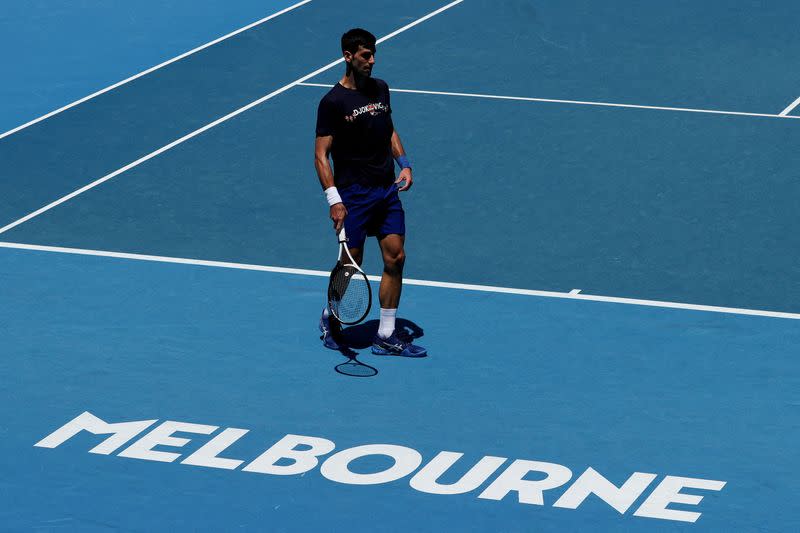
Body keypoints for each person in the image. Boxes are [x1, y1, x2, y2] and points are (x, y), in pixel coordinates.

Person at [314, 28, 426, 357]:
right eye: (365, 55)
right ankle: (330, 319)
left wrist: (403, 163)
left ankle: (387, 334)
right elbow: (321, 155)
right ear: (348, 56)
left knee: (396, 257)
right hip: (354, 194)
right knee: (352, 265)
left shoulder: (380, 89)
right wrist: (334, 200)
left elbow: (388, 128)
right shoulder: (332, 102)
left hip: (385, 189)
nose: (372, 60)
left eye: (373, 53)